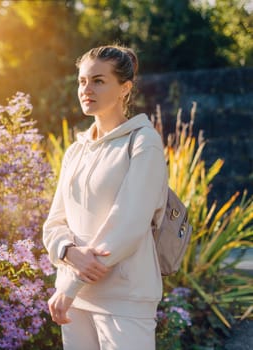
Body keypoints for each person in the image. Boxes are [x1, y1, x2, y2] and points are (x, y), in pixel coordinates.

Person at [43, 44, 169, 350]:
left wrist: (72, 283)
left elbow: (127, 224)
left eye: (99, 80)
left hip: (123, 299)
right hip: (74, 299)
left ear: (124, 88)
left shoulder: (143, 142)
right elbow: (55, 222)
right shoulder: (76, 150)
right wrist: (68, 252)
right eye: (82, 81)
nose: (87, 89)